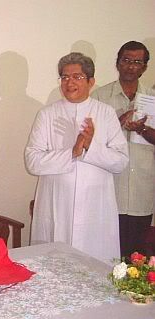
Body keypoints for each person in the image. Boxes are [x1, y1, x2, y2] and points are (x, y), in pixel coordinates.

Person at [25, 52, 129, 264]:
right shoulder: (47, 114)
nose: (69, 82)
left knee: (96, 268)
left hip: (95, 205)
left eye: (77, 77)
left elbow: (120, 162)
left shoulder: (105, 113)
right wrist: (72, 153)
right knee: (56, 267)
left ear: (91, 81)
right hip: (56, 203)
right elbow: (32, 161)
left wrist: (91, 146)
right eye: (64, 77)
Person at [91, 41, 155, 259]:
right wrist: (116, 123)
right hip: (110, 187)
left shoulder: (152, 98)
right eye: (126, 60)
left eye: (137, 62)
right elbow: (90, 141)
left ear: (145, 66)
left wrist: (144, 130)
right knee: (108, 255)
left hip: (142, 189)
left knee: (137, 256)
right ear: (117, 62)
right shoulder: (100, 97)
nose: (131, 66)